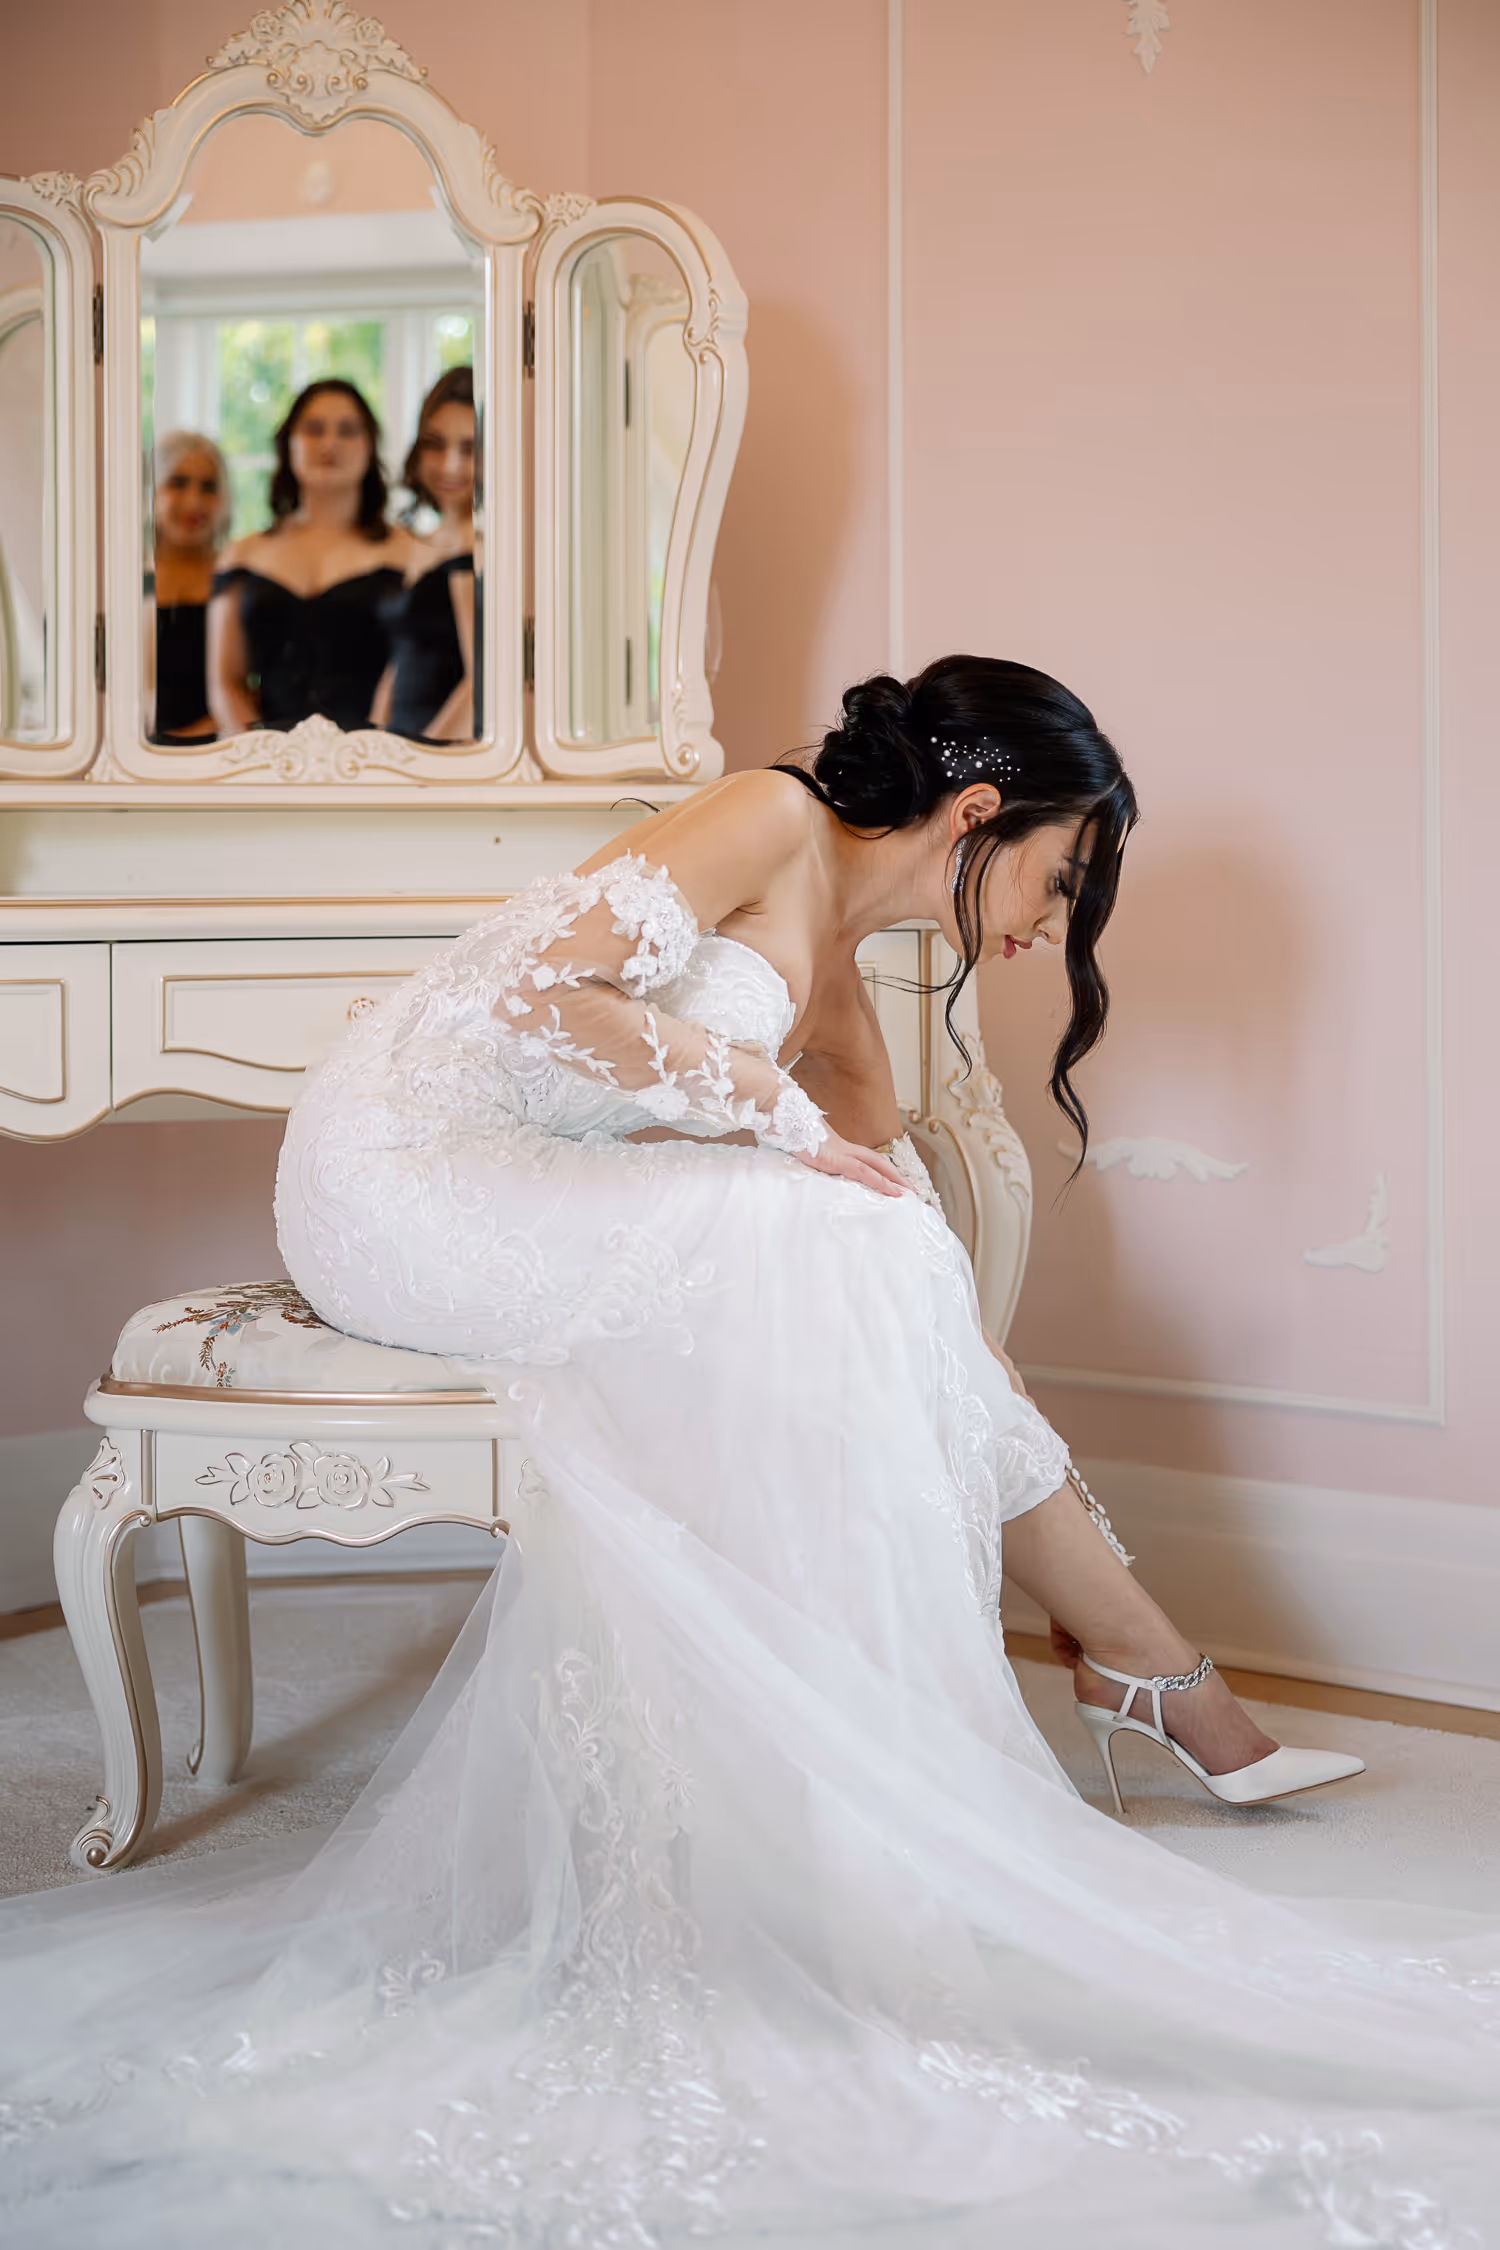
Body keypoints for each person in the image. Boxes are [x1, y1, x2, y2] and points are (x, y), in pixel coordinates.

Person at [3, 658, 1499, 2249]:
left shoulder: (841, 955)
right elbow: (538, 1001)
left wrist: (918, 1300)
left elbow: (895, 1210)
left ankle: (1111, 1661)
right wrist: (773, 1124)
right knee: (828, 1224)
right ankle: (1139, 1662)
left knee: (880, 1255)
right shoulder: (762, 813)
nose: (1048, 929)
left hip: (522, 1185)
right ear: (977, 813)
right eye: (1059, 882)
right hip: (407, 1176)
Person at [208, 379, 419, 736]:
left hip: (382, 765)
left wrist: (373, 761)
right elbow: (225, 683)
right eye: (314, 429)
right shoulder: (241, 555)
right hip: (261, 771)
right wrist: (258, 763)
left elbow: (412, 676)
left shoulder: (410, 553)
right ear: (288, 443)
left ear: (370, 446)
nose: (330, 443)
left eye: (348, 430)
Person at [373, 365, 479, 741]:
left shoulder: (479, 546)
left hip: (442, 759)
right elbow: (401, 656)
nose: (450, 465)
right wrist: (377, 740)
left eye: (470, 449)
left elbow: (482, 681)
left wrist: (426, 760)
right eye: (435, 444)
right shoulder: (418, 542)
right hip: (401, 753)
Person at [144, 430, 230, 743]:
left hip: (222, 756)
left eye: (208, 487)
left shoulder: (238, 581)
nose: (194, 502)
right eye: (178, 483)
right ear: (151, 490)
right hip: (134, 762)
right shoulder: (120, 581)